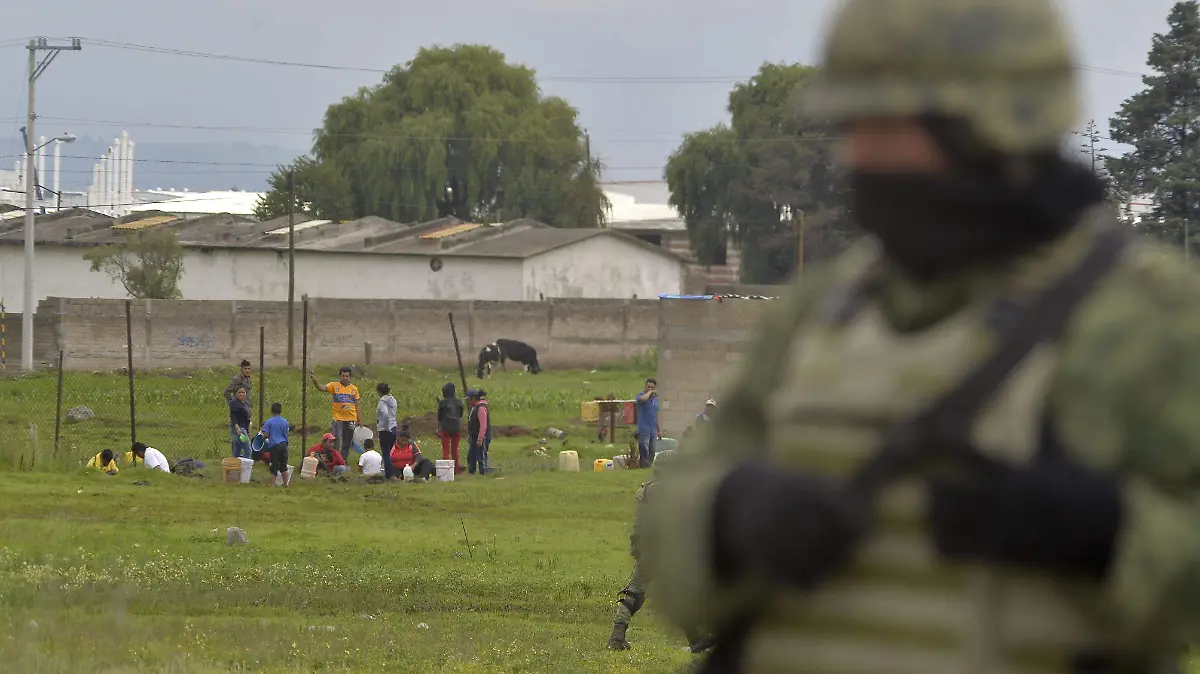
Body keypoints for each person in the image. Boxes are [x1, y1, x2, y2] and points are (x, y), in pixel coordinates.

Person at [642, 0, 1200, 671]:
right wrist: (726, 514)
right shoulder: (823, 310)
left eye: (889, 125)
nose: (860, 155)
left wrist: (1105, 534)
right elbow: (674, 513)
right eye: (854, 125)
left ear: (998, 121)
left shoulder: (1148, 317)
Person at [607, 449, 712, 654]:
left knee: (634, 594)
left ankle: (617, 636)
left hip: (648, 550)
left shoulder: (648, 489)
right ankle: (696, 638)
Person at [310, 367, 361, 458]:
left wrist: (359, 419)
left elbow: (357, 405)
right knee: (336, 440)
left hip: (351, 419)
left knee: (347, 441)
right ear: (339, 376)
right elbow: (322, 388)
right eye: (343, 376)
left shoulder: (354, 389)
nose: (345, 378)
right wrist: (315, 382)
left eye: (347, 376)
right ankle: (335, 458)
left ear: (350, 377)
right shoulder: (334, 385)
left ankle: (343, 460)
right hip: (338, 418)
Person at [224, 359, 253, 457]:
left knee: (245, 430)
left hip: (246, 408)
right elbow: (227, 392)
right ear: (241, 369)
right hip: (238, 410)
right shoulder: (237, 379)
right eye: (245, 369)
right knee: (237, 434)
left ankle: (237, 457)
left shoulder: (248, 378)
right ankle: (238, 457)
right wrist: (233, 403)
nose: (247, 370)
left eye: (249, 369)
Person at [258, 402, 291, 487]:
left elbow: (266, 434)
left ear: (272, 411)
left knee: (274, 465)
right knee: (284, 465)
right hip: (284, 445)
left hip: (274, 446)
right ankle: (285, 484)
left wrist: (261, 439)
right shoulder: (285, 421)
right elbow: (286, 433)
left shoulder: (269, 422)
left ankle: (272, 484)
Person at [632, 379, 661, 468]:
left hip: (653, 429)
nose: (650, 389)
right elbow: (643, 399)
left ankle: (648, 466)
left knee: (652, 450)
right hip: (644, 428)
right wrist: (650, 392)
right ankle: (644, 466)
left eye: (652, 387)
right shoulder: (640, 396)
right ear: (645, 387)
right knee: (644, 448)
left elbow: (655, 416)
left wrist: (659, 430)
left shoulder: (655, 400)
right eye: (648, 387)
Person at [437, 382, 464, 472]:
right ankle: (456, 468)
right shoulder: (459, 402)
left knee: (446, 450)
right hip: (456, 428)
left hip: (445, 428)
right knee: (455, 450)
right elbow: (460, 414)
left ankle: (447, 470)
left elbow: (439, 416)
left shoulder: (442, 402)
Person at [465, 388, 492, 475]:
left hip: (482, 437)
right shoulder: (474, 408)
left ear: (473, 398)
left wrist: (480, 439)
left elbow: (483, 426)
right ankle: (471, 472)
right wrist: (470, 434)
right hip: (474, 436)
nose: (468, 401)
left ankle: (483, 473)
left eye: (468, 399)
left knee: (481, 457)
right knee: (471, 456)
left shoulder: (481, 408)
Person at [376, 383, 399, 479]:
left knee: (386, 453)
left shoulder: (382, 401)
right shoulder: (393, 400)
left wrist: (386, 426)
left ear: (380, 392)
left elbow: (385, 414)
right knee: (391, 452)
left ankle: (390, 475)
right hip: (394, 427)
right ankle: (394, 472)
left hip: (385, 430)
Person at [228, 387, 252, 459]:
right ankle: (245, 466)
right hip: (240, 431)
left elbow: (247, 419)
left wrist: (248, 431)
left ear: (246, 394)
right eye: (239, 392)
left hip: (243, 429)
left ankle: (235, 466)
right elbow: (233, 416)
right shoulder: (234, 403)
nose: (241, 394)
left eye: (243, 392)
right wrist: (237, 427)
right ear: (236, 394)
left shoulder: (244, 403)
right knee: (248, 450)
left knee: (237, 450)